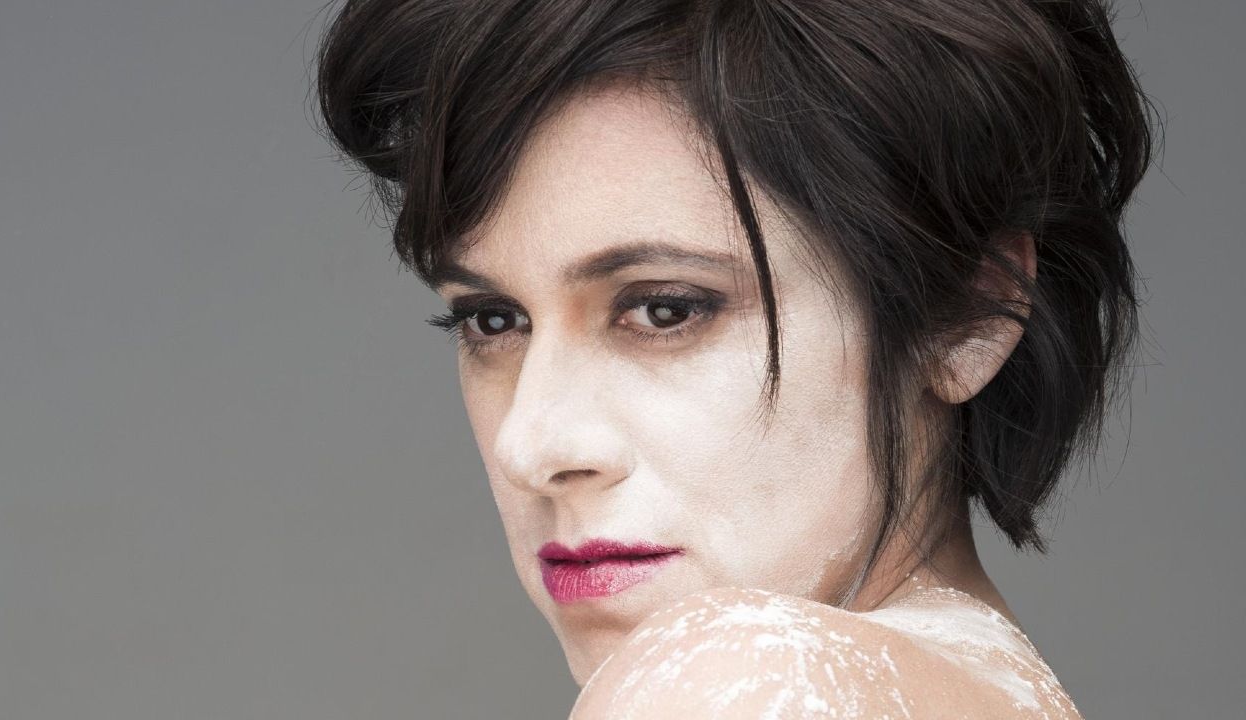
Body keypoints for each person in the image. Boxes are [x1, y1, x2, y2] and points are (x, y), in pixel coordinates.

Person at [314, 0, 1154, 716]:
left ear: (969, 317)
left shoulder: (745, 683)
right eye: (492, 320)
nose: (530, 447)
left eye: (665, 309)